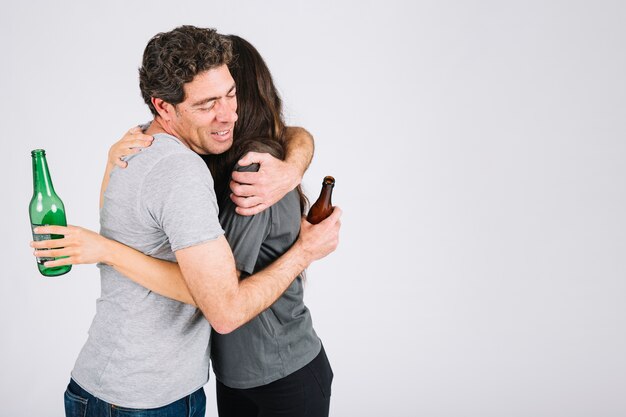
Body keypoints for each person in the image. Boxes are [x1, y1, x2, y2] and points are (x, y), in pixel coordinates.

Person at [32, 26, 341, 417]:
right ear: (164, 107)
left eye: (232, 94)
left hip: (121, 383)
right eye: (208, 102)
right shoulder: (182, 170)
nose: (228, 113)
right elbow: (223, 307)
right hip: (140, 396)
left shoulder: (144, 145)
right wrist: (304, 252)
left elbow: (290, 133)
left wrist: (294, 166)